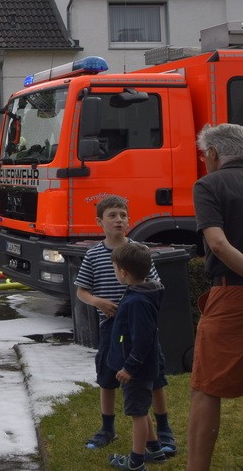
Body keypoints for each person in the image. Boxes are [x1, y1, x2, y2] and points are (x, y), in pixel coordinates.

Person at [74, 194, 175, 458]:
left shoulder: (139, 251)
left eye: (123, 215)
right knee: (107, 377)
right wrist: (98, 302)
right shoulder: (94, 255)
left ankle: (164, 430)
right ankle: (107, 428)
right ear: (100, 221)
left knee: (152, 377)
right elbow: (81, 291)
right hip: (110, 328)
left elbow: (155, 285)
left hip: (141, 329)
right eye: (112, 215)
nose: (119, 220)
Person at [187, 123, 243, 471]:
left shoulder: (209, 184)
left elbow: (219, 244)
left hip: (231, 296)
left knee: (206, 387)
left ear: (212, 154)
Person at [106, 242, 168, 471]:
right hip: (139, 369)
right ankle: (155, 450)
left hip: (137, 372)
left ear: (123, 272)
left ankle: (136, 462)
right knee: (141, 409)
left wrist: (129, 368)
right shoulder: (139, 294)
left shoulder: (137, 301)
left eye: (115, 269)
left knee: (138, 414)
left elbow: (143, 340)